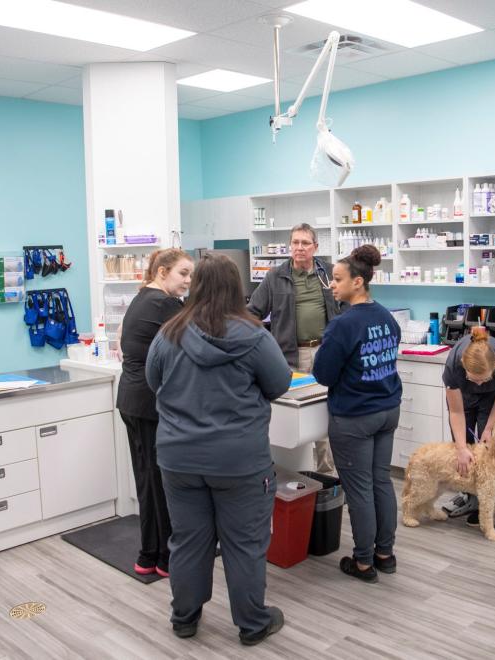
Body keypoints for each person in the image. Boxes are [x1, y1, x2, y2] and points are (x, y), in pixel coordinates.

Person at [146, 254, 291, 646]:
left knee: (189, 540)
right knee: (244, 544)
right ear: (235, 288)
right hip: (240, 462)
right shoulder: (254, 336)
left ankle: (185, 618)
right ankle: (251, 622)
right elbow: (279, 384)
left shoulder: (168, 334)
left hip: (179, 459)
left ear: (196, 286)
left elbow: (153, 381)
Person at [312, 245, 401, 583]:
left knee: (360, 489)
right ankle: (385, 553)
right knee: (381, 482)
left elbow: (323, 375)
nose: (332, 286)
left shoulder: (344, 324)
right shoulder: (386, 317)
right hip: (387, 410)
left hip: (355, 417)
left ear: (358, 282)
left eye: (337, 279)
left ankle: (363, 561)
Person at [115, 248, 191, 577]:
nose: (188, 281)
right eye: (183, 274)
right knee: (161, 482)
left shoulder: (141, 298)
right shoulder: (165, 304)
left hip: (132, 401)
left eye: (191, 275)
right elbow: (199, 341)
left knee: (146, 479)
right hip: (150, 404)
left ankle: (148, 555)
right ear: (162, 272)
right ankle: (165, 557)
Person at [248, 223, 342, 473]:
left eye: (305, 243)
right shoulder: (275, 276)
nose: (299, 248)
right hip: (289, 355)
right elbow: (252, 313)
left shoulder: (330, 273)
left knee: (325, 412)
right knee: (292, 415)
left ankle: (326, 476)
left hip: (325, 352)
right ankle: (293, 475)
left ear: (315, 247)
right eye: (295, 243)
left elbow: (347, 308)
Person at [441, 325, 495, 526]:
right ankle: (468, 496)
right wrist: (461, 448)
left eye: (484, 379)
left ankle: (484, 501)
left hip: (493, 399)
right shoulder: (453, 367)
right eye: (474, 379)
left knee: (488, 452)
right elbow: (456, 412)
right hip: (462, 399)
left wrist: (490, 427)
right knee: (463, 450)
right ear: (463, 367)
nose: (479, 384)